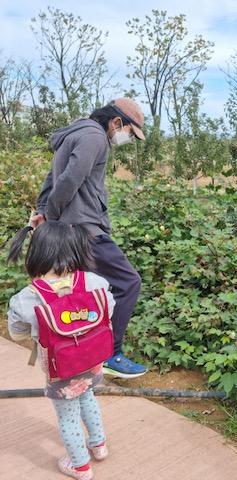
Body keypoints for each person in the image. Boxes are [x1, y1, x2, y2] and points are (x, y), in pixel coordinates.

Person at [30, 98, 147, 378]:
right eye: (130, 132)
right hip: (84, 229)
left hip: (72, 228)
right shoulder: (95, 136)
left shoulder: (75, 134)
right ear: (116, 122)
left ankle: (83, 351)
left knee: (82, 291)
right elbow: (69, 180)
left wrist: (43, 211)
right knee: (128, 282)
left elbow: (51, 179)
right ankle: (110, 354)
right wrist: (55, 219)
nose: (127, 139)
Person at [7, 221, 115, 480]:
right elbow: (108, 311)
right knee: (88, 397)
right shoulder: (94, 281)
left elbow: (16, 332)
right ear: (75, 249)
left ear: (36, 253)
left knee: (68, 417)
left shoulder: (27, 297)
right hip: (93, 361)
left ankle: (80, 466)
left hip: (62, 370)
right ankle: (98, 445)